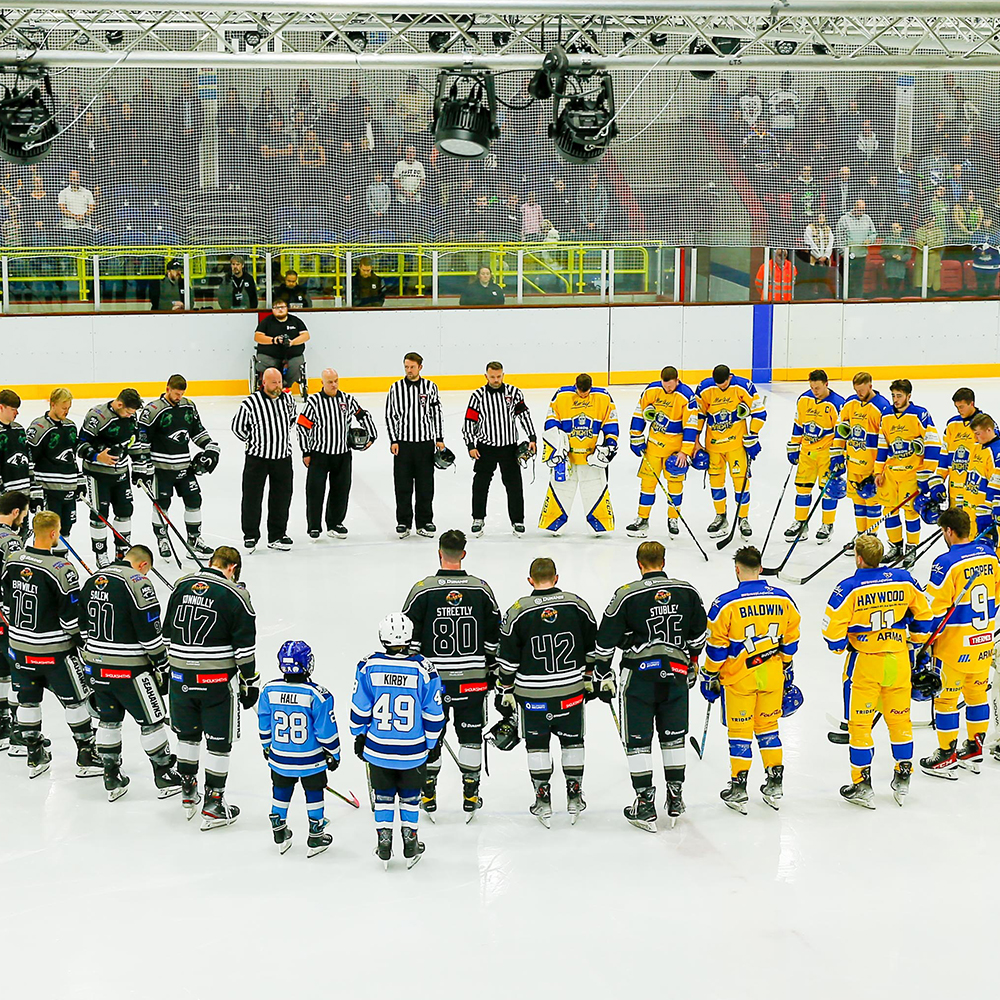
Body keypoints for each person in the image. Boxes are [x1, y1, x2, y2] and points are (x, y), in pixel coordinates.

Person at [595, 541, 708, 830]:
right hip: (676, 671)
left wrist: (602, 673)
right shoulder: (687, 591)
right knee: (673, 736)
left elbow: (605, 640)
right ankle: (675, 795)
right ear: (664, 560)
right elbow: (698, 634)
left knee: (638, 741)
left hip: (639, 676)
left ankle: (645, 803)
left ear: (639, 563)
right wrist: (693, 662)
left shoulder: (626, 595)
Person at [822, 534, 932, 808]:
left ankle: (862, 784)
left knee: (859, 727)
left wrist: (844, 644)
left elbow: (832, 637)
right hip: (898, 660)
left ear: (859, 558)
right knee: (900, 722)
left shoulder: (847, 588)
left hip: (865, 664)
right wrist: (914, 640)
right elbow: (924, 615)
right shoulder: (904, 579)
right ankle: (903, 778)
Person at [401, 529, 501, 819]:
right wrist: (493, 669)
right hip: (473, 680)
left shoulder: (423, 590)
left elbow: (408, 638)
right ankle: (471, 793)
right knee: (470, 737)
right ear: (464, 554)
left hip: (434, 684)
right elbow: (496, 636)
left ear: (439, 552)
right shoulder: (480, 589)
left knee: (430, 737)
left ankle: (427, 792)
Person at [497, 557, 597, 826]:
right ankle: (574, 795)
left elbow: (507, 662)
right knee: (573, 742)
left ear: (530, 580)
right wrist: (589, 677)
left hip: (533, 698)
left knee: (537, 747)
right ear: (556, 578)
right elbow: (593, 648)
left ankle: (543, 799)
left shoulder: (518, 611)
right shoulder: (577, 604)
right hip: (571, 693)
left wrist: (505, 688)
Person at [79, 543, 183, 802]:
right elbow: (150, 636)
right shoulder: (138, 582)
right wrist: (162, 665)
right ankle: (164, 773)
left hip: (96, 665)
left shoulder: (93, 578)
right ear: (144, 565)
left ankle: (111, 774)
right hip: (131, 670)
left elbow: (81, 628)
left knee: (108, 720)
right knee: (151, 721)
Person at [1, 510, 100, 779]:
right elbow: (71, 620)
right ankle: (86, 754)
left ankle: (34, 755)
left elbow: (7, 606)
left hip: (19, 647)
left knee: (28, 702)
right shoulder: (61, 569)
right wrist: (85, 644)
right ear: (55, 534)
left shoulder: (13, 560)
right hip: (54, 652)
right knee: (75, 702)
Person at [164, 545, 257, 830]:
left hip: (179, 679)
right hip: (216, 683)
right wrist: (250, 682)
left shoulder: (181, 587)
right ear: (232, 568)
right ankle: (214, 803)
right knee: (219, 744)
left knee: (187, 737)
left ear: (211, 561)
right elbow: (244, 649)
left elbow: (166, 634)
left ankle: (188, 792)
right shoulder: (235, 595)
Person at [702, 546, 800, 814]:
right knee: (769, 728)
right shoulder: (784, 599)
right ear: (760, 568)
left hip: (739, 678)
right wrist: (787, 668)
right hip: (772, 675)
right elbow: (791, 642)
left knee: (740, 732)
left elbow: (716, 649)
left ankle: (738, 787)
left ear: (737, 569)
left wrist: (709, 674)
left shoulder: (725, 604)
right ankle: (775, 782)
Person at [350, 613, 444, 868]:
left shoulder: (368, 666)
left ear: (382, 638)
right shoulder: (424, 668)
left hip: (378, 749)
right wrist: (432, 743)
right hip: (413, 751)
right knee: (410, 796)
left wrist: (358, 735)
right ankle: (410, 840)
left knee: (383, 795)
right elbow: (434, 714)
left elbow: (359, 710)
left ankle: (384, 840)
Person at [918, 507, 999, 778]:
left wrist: (924, 639)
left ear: (949, 531)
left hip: (954, 646)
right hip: (983, 640)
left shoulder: (945, 562)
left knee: (946, 700)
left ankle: (946, 753)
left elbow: (936, 609)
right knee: (977, 695)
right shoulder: (991, 556)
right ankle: (975, 748)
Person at [257, 640, 340, 857]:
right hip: (311, 760)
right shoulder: (318, 694)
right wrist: (334, 752)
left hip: (280, 758)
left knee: (280, 790)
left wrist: (267, 746)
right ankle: (316, 834)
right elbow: (325, 730)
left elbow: (264, 722)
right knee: (314, 792)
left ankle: (279, 828)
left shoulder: (269, 690)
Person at [135, 374, 220, 560]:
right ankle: (162, 538)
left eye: (181, 394)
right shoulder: (153, 410)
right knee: (162, 504)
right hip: (161, 469)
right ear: (167, 389)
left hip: (184, 466)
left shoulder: (188, 406)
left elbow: (197, 431)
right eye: (175, 393)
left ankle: (194, 538)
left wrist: (211, 447)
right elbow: (143, 441)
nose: (178, 397)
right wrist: (143, 465)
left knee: (194, 501)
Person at [683, 363, 767, 539]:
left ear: (729, 377)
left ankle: (743, 518)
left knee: (740, 483)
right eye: (717, 384)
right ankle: (720, 516)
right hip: (713, 446)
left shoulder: (744, 386)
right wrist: (696, 441)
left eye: (723, 384)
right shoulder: (705, 388)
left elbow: (759, 412)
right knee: (716, 483)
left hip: (736, 445)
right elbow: (698, 416)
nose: (720, 387)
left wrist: (753, 434)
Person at [296, 367, 377, 538]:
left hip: (343, 454)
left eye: (336, 381)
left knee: (341, 489)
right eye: (330, 382)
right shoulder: (314, 402)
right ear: (322, 383)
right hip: (320, 454)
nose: (334, 385)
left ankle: (335, 523)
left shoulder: (347, 399)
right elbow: (302, 426)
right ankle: (314, 526)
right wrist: (306, 451)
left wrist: (372, 435)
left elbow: (362, 415)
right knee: (315, 490)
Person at [538, 373, 619, 536]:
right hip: (567, 457)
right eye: (581, 392)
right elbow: (551, 421)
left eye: (586, 392)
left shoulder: (603, 397)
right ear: (575, 386)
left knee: (595, 490)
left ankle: (600, 525)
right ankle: (553, 523)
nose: (583, 395)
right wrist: (556, 447)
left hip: (591, 459)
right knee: (560, 490)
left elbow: (611, 423)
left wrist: (609, 446)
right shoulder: (562, 396)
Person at [874, 377, 943, 567]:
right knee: (889, 511)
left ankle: (911, 549)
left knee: (911, 512)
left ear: (908, 396)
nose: (895, 399)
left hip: (912, 473)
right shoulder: (886, 415)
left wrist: (926, 474)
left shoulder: (919, 414)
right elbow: (882, 445)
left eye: (899, 396)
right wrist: (878, 471)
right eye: (893, 395)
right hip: (891, 474)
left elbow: (933, 443)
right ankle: (895, 547)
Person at [463, 361, 536, 536]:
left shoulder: (514, 393)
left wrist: (532, 437)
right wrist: (470, 445)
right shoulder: (478, 396)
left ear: (503, 375)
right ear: (486, 376)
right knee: (480, 484)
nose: (496, 380)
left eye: (498, 376)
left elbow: (523, 415)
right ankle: (478, 518)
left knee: (514, 485)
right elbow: (469, 422)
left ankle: (518, 520)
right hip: (485, 448)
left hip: (509, 448)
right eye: (492, 377)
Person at [231, 367, 297, 553]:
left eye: (279, 382)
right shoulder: (251, 403)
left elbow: (291, 421)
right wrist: (255, 441)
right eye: (274, 382)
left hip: (283, 458)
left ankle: (277, 534)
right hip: (257, 459)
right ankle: (250, 535)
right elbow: (238, 428)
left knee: (282, 497)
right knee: (252, 498)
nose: (278, 386)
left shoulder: (289, 400)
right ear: (264, 382)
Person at [77, 388, 144, 568]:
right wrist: (97, 456)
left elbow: (134, 441)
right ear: (119, 404)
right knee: (100, 515)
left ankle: (122, 552)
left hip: (122, 474)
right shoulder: (97, 416)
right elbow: (80, 444)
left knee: (125, 512)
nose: (131, 415)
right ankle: (100, 553)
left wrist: (139, 465)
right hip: (98, 475)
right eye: (129, 412)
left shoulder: (131, 416)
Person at [626, 366, 695, 539]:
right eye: (666, 386)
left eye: (671, 386)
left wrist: (685, 452)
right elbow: (639, 412)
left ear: (677, 381)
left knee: (675, 486)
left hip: (675, 451)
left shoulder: (686, 396)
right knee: (647, 485)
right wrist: (636, 436)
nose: (668, 389)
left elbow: (691, 425)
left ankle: (673, 519)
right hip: (654, 447)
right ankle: (642, 519)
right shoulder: (652, 390)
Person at [385, 352, 447, 539]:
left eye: (412, 367)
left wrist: (439, 438)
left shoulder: (430, 387)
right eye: (406, 367)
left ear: (420, 367)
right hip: (403, 445)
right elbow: (390, 415)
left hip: (425, 444)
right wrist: (393, 440)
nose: (409, 370)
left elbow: (436, 413)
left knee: (425, 485)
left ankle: (425, 521)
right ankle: (403, 522)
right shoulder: (396, 388)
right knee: (402, 485)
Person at [784, 369, 847, 545]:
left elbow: (841, 434)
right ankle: (801, 523)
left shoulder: (838, 404)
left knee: (827, 492)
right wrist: (793, 446)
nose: (815, 391)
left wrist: (840, 455)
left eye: (818, 387)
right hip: (806, 453)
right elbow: (798, 425)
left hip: (827, 454)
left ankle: (827, 525)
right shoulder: (804, 399)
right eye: (812, 387)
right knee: (802, 489)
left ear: (826, 384)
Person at [831, 371, 893, 537]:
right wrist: (837, 454)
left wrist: (880, 469)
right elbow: (840, 429)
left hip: (872, 467)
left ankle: (871, 537)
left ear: (870, 386)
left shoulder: (882, 406)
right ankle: (860, 534)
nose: (859, 394)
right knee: (858, 501)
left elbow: (886, 439)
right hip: (853, 464)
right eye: (856, 390)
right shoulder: (850, 403)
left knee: (872, 501)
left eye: (862, 390)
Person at [26, 387, 83, 534]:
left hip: (69, 489)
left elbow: (71, 457)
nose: (67, 411)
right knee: (48, 531)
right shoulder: (39, 428)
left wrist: (79, 481)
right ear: (52, 404)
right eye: (64, 408)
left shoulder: (70, 426)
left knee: (66, 529)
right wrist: (34, 490)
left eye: (69, 408)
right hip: (49, 490)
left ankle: (61, 557)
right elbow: (30, 461)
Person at [0, 490, 29, 752]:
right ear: (16, 512)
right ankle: (21, 732)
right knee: (16, 669)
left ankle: (1, 726)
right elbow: (16, 578)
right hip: (4, 614)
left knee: (0, 671)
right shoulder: (10, 541)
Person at [254, 296, 310, 400]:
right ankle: (274, 387)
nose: (280, 309)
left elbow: (306, 335)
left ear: (287, 308)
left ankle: (286, 386)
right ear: (272, 310)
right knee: (269, 366)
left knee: (297, 364)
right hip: (270, 354)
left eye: (283, 307)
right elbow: (257, 337)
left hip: (293, 354)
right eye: (277, 307)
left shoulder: (295, 321)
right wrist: (273, 340)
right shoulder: (267, 322)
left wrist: (292, 342)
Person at [939, 387, 982, 511]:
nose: (959, 410)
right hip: (954, 487)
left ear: (972, 403)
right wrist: (939, 478)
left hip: (975, 487)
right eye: (957, 407)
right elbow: (945, 453)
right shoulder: (952, 424)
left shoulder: (984, 424)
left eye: (961, 407)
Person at [965, 412, 1000, 539]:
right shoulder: (977, 448)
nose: (975, 437)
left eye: (978, 433)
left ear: (989, 430)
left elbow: (996, 487)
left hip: (985, 514)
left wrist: (988, 511)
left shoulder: (996, 453)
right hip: (971, 512)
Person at [836, 199, 877, 298]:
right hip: (847, 257)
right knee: (847, 280)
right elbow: (839, 237)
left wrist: (869, 240)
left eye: (863, 210)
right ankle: (845, 299)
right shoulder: (844, 219)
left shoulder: (867, 218)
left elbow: (874, 234)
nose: (861, 212)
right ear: (854, 207)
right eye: (859, 209)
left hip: (861, 255)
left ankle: (858, 299)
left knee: (859, 280)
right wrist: (844, 253)